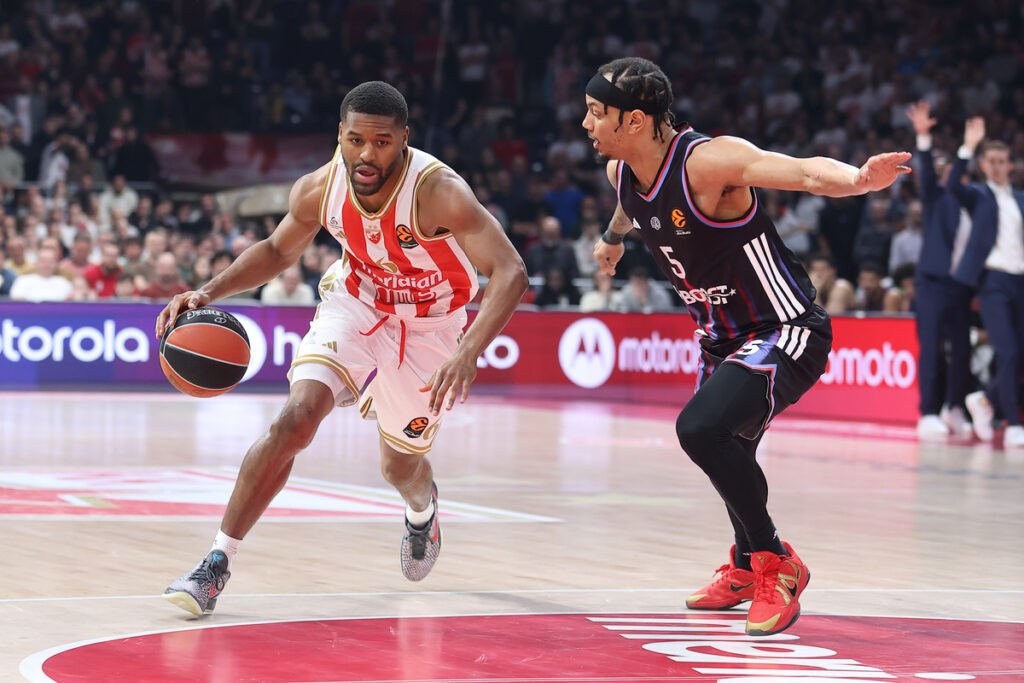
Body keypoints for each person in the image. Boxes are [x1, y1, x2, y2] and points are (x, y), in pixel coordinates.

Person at [155, 81, 529, 616]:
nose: (367, 154)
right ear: (340, 135)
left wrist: (468, 349)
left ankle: (422, 512)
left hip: (431, 327)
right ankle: (215, 562)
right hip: (356, 302)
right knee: (295, 421)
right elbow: (278, 249)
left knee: (400, 469)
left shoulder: (438, 190)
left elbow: (511, 270)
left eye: (381, 142)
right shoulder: (319, 188)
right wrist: (208, 291)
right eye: (355, 140)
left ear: (404, 139)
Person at [584, 57, 910, 636]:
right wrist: (612, 241)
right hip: (720, 339)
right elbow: (629, 207)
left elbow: (803, 172)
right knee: (730, 451)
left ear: (634, 121)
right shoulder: (620, 172)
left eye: (595, 112)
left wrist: (859, 180)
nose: (585, 122)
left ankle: (774, 563)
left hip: (783, 328)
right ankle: (741, 565)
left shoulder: (710, 162)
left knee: (699, 430)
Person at [947, 118, 1024, 448]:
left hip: (1020, 280)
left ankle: (985, 399)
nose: (996, 167)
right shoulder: (979, 195)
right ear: (982, 165)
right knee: (1007, 350)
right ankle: (1013, 422)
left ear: (1010, 164)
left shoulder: (1020, 198)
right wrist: (966, 146)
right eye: (990, 161)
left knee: (1017, 354)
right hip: (993, 280)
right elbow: (952, 185)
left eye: (1001, 161)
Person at [905, 102, 974, 440]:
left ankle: (954, 406)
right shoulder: (936, 198)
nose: (956, 176)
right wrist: (924, 138)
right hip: (932, 283)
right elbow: (928, 172)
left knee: (962, 349)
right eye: (950, 171)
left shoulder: (975, 205)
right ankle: (928, 412)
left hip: (961, 286)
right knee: (931, 347)